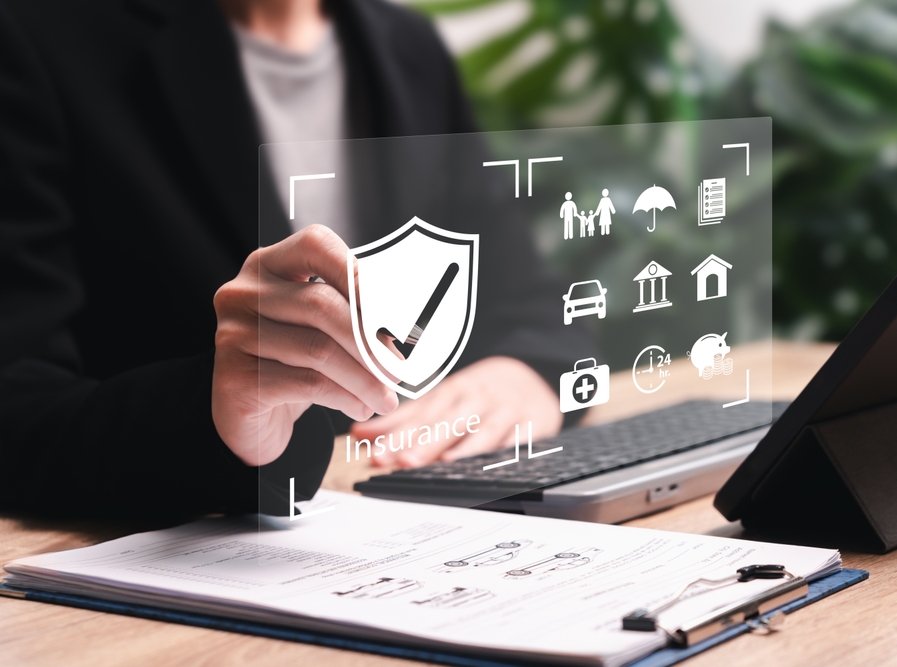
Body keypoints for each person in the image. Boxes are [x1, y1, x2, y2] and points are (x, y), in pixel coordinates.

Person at [0, 0, 590, 517]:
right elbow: (16, 399)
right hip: (189, 562)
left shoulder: (408, 46)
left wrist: (527, 370)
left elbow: (528, 296)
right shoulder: (36, 36)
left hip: (418, 514)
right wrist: (215, 418)